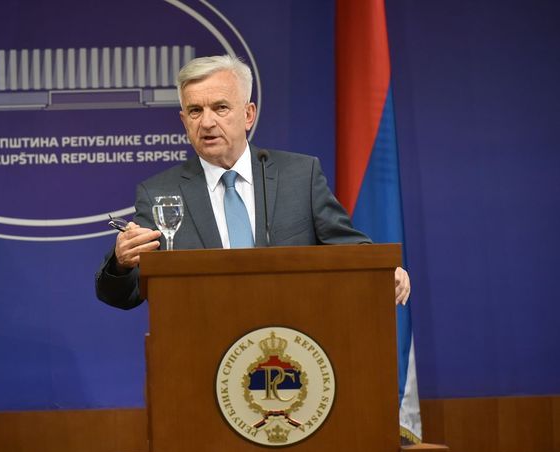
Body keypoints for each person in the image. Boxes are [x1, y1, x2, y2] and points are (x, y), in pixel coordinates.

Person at [96, 55, 410, 310]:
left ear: (248, 114)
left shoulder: (300, 176)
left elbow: (348, 247)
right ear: (184, 121)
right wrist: (122, 263)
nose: (207, 122)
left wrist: (382, 271)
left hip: (293, 344)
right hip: (200, 350)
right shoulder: (159, 193)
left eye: (220, 107)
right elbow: (125, 295)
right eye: (195, 111)